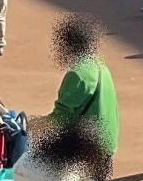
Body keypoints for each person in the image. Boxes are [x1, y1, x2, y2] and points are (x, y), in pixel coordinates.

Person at [41, 13, 119, 160]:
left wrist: (34, 130)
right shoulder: (101, 66)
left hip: (87, 149)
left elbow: (61, 116)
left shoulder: (77, 74)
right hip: (107, 143)